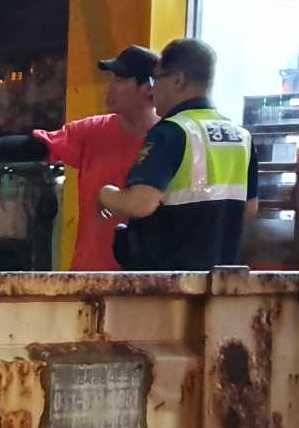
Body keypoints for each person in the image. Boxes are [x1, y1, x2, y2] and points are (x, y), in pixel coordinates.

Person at [0, 45, 160, 270]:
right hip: (90, 273)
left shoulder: (170, 140)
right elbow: (36, 146)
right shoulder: (94, 130)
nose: (110, 87)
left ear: (148, 89)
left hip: (150, 277)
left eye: (120, 80)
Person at [97, 38, 257, 271]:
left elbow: (140, 203)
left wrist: (105, 194)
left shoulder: (171, 132)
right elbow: (249, 209)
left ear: (178, 80)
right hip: (220, 279)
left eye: (156, 79)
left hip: (168, 282)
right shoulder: (241, 136)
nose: (152, 90)